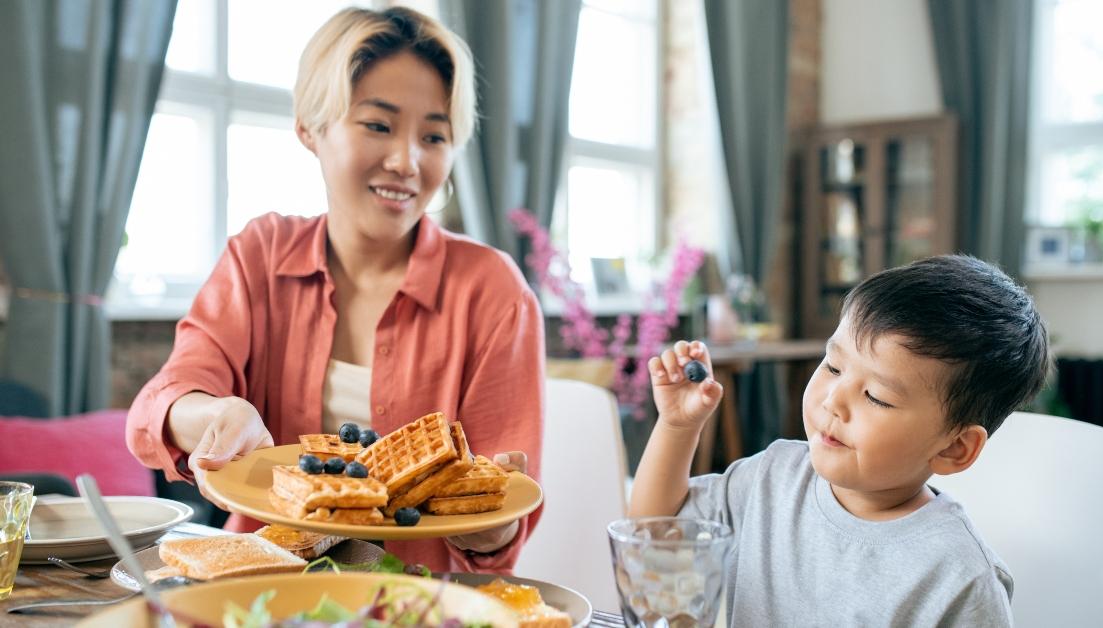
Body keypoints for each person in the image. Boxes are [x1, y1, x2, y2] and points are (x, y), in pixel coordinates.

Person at [126, 6, 544, 574]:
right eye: (378, 124)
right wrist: (218, 416)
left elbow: (499, 535)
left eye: (434, 135)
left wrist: (492, 527)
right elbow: (163, 402)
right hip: (257, 587)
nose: (406, 161)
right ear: (310, 126)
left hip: (419, 602)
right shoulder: (260, 256)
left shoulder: (494, 292)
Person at [630, 255, 1051, 626]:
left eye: (876, 397)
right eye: (833, 366)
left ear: (953, 448)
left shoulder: (956, 576)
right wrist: (677, 427)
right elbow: (652, 531)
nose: (834, 400)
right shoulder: (771, 479)